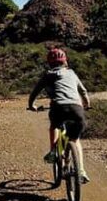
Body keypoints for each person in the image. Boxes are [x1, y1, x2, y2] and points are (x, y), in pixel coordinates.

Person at [27, 48, 90, 183]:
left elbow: (35, 92)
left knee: (54, 125)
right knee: (75, 140)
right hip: (76, 109)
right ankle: (81, 171)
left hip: (58, 107)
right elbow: (83, 91)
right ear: (65, 61)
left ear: (49, 63)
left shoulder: (48, 75)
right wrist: (86, 104)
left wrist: (32, 105)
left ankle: (54, 151)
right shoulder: (72, 73)